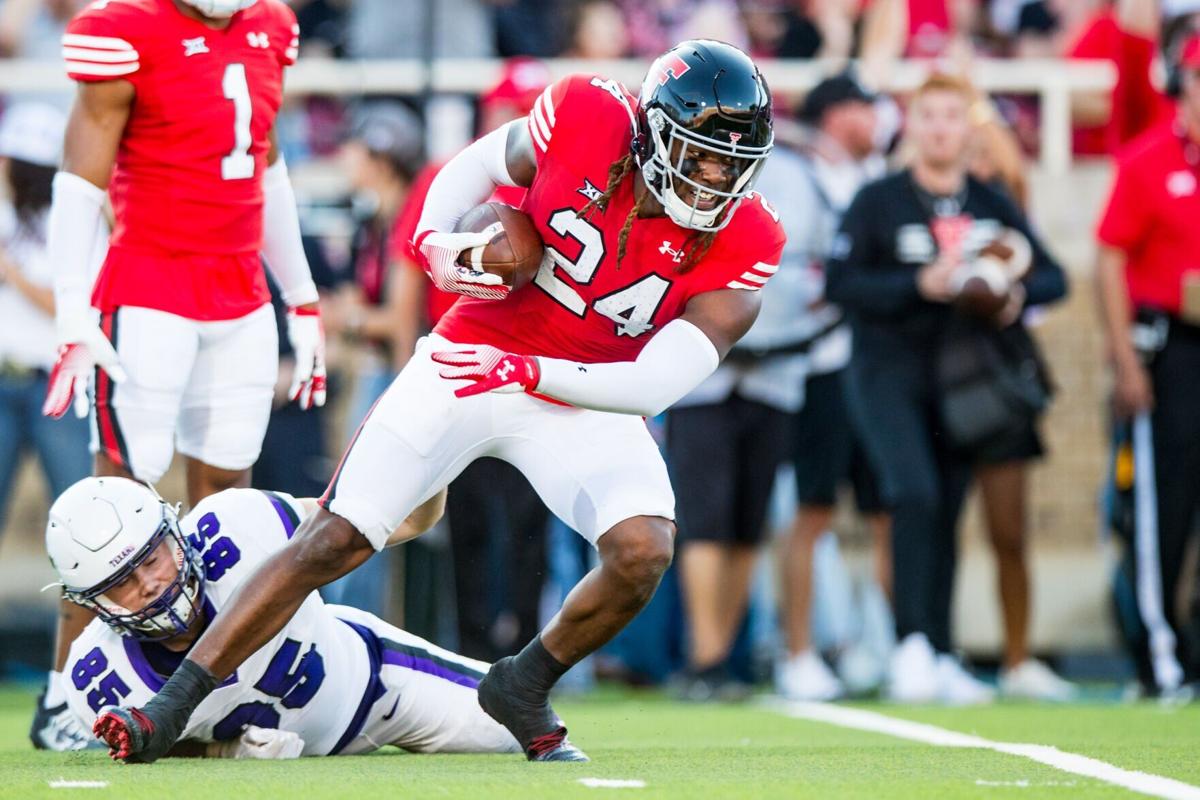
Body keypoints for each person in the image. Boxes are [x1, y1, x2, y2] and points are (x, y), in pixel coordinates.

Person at [91, 40, 785, 764]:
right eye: (701, 154)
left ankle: (522, 683)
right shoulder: (588, 112)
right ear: (651, 132)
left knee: (643, 549)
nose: (717, 178)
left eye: (734, 162)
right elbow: (478, 165)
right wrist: (433, 241)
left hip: (582, 389)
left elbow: (652, 383)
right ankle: (171, 705)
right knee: (336, 538)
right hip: (470, 357)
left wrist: (527, 369)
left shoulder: (749, 239)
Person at [33, 0, 326, 751]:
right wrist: (72, 304)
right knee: (113, 510)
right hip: (149, 288)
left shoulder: (272, 25)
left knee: (228, 515)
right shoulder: (123, 27)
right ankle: (67, 695)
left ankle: (208, 695)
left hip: (239, 295)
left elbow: (267, 164)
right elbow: (81, 178)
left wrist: (300, 294)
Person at [826, 72, 1067, 705]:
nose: (939, 128)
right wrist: (918, 286)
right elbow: (844, 284)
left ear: (968, 128)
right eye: (928, 116)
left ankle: (939, 647)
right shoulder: (879, 199)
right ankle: (909, 646)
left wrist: (1007, 294)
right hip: (887, 374)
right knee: (913, 494)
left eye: (950, 117)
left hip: (960, 383)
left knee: (949, 508)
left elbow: (1054, 277)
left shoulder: (988, 201)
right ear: (913, 125)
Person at [49, 476, 519, 759]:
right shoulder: (95, 677)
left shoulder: (237, 523)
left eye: (152, 560)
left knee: (519, 728)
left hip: (378, 685)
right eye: (121, 583)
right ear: (93, 604)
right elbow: (158, 744)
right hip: (310, 728)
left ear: (175, 534)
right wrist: (222, 751)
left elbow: (409, 522)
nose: (149, 585)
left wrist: (430, 466)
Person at [766, 75, 891, 702]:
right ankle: (798, 652)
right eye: (865, 108)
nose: (877, 120)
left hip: (877, 366)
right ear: (838, 113)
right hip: (818, 363)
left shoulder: (877, 179)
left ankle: (889, 647)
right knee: (811, 510)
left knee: (887, 509)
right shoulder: (791, 173)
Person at [1094, 34, 1200, 697]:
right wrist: (1126, 357)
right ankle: (1160, 657)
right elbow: (1108, 257)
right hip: (1174, 348)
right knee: (1164, 508)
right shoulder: (1148, 159)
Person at [966, 97, 1076, 702]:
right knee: (925, 519)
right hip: (937, 380)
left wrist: (1009, 287)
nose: (976, 163)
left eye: (987, 153)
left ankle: (1016, 655)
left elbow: (1056, 278)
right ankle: (928, 649)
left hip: (1000, 381)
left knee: (1009, 528)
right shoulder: (916, 201)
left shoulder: (1005, 214)